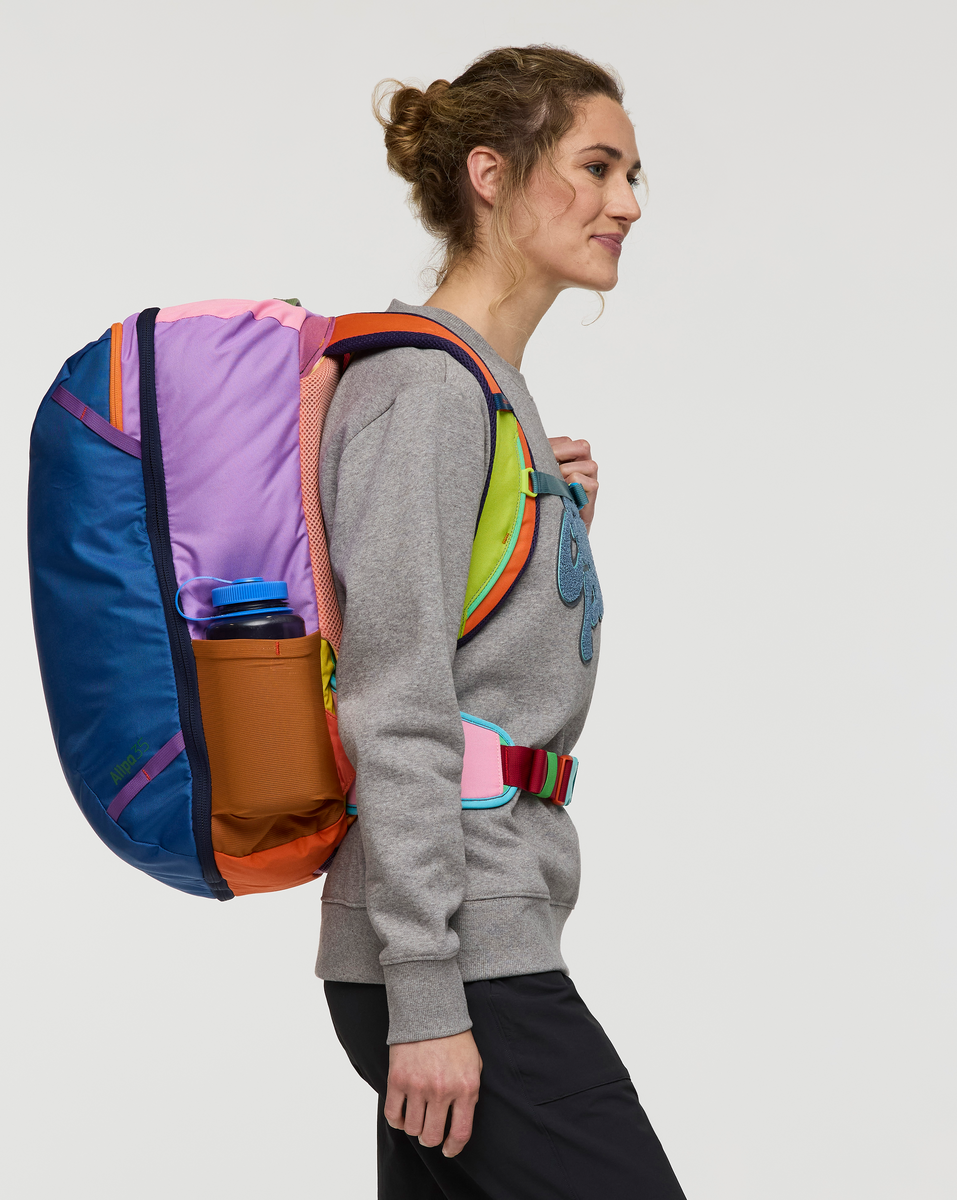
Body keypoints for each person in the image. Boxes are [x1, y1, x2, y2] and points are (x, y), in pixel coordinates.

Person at [316, 45, 686, 1199]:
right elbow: (396, 701)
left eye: (632, 174)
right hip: (455, 955)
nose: (628, 203)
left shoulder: (488, 394)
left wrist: (548, 526)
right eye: (598, 167)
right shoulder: (425, 390)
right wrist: (429, 995)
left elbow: (483, 658)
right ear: (492, 174)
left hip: (473, 934)